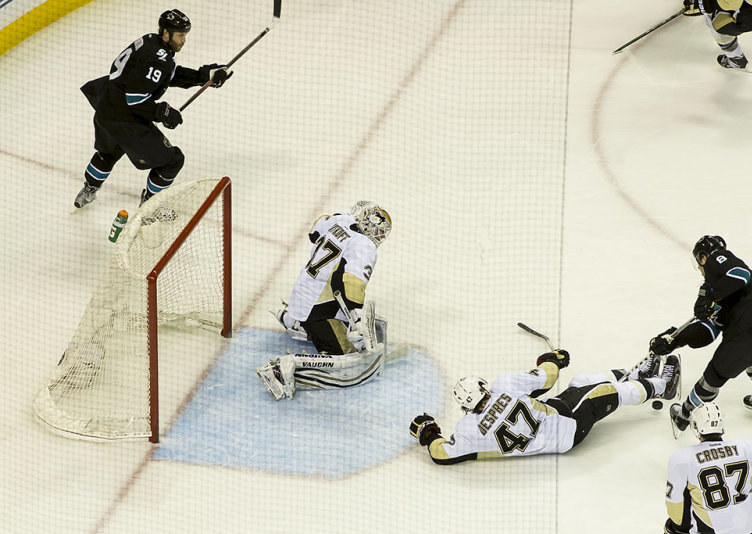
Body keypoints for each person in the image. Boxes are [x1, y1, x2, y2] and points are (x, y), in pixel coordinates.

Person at [74, 9, 232, 208]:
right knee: (173, 161)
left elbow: (167, 75)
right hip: (126, 119)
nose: (184, 40)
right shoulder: (158, 58)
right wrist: (163, 112)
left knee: (109, 152)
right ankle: (149, 207)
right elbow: (136, 100)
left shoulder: (151, 41)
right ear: (166, 33)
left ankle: (88, 190)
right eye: (180, 35)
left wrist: (204, 75)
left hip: (106, 110)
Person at [408, 349, 681, 464]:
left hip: (554, 425)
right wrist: (553, 358)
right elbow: (547, 377)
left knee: (581, 383)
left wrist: (429, 433)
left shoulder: (468, 429)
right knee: (602, 392)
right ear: (482, 386)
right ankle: (661, 386)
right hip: (568, 426)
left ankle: (637, 374)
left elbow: (442, 454)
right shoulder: (504, 386)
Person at [255, 201, 392, 400]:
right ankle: (280, 370)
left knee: (332, 286)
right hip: (316, 311)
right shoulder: (365, 245)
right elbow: (351, 284)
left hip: (300, 297)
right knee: (347, 355)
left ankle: (295, 322)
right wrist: (358, 321)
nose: (379, 237)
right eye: (379, 231)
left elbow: (314, 232)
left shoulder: (339, 220)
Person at [649, 235, 752, 434]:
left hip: (751, 323)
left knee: (716, 373)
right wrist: (676, 340)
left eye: (699, 263)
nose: (700, 269)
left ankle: (684, 415)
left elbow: (741, 274)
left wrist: (708, 293)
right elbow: (707, 333)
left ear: (702, 257)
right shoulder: (723, 295)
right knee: (749, 356)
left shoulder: (717, 258)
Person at [664, 402, 752, 534]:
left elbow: (677, 516)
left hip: (709, 531)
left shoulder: (681, 458)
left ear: (695, 427)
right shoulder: (747, 448)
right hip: (751, 530)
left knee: (671, 527)